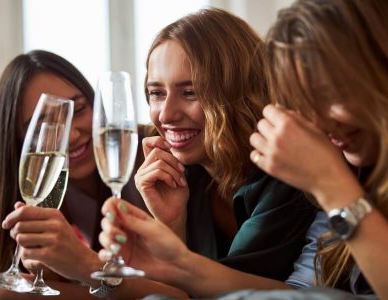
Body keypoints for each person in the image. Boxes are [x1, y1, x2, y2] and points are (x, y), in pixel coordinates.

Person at [99, 0, 388, 299]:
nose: (315, 120)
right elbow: (304, 293)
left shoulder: (317, 173)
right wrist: (175, 252)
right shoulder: (362, 173)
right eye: (156, 93)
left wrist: (332, 186)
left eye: (331, 92)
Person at [96, 7, 316, 298]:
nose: (166, 114)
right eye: (156, 93)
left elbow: (232, 292)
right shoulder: (180, 173)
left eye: (190, 92)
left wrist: (83, 264)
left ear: (237, 92)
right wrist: (172, 224)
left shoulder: (285, 172)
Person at [0, 50, 148, 299]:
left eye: (79, 109)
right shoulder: (49, 184)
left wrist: (26, 295)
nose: (72, 135)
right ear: (19, 140)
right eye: (44, 126)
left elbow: (173, 294)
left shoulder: (144, 159)